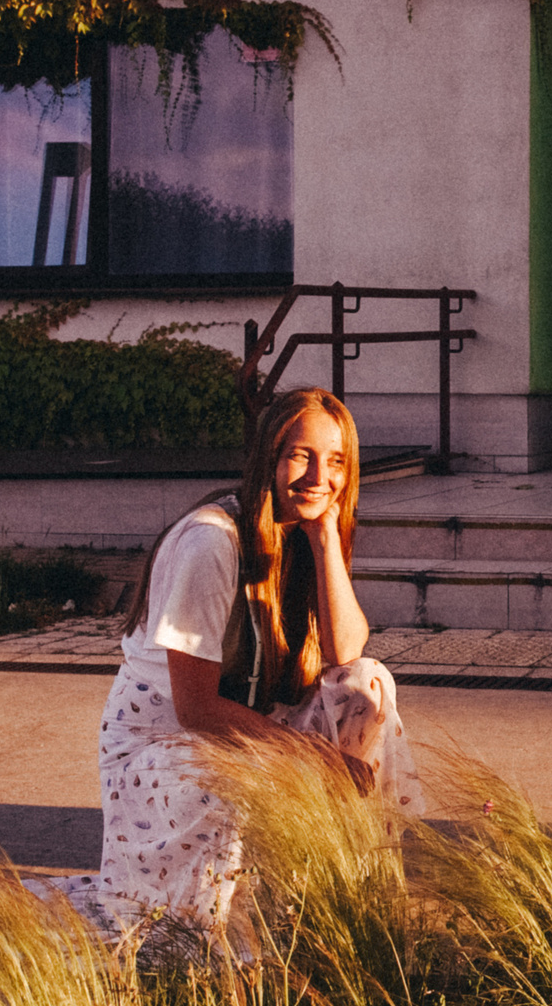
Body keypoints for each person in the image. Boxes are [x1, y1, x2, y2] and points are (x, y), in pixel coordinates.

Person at [48, 387, 421, 955]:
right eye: (301, 455)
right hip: (163, 744)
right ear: (268, 456)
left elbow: (347, 650)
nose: (319, 475)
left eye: (336, 461)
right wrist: (313, 758)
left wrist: (324, 540)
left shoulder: (305, 529)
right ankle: (209, 935)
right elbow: (195, 710)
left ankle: (351, 894)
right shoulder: (211, 541)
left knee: (367, 683)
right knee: (236, 784)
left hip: (247, 726)